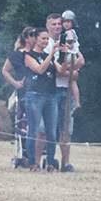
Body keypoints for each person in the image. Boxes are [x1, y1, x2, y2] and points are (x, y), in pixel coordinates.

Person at [46, 13, 85, 173]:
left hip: (66, 90)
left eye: (60, 24)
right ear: (48, 25)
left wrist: (67, 71)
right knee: (46, 129)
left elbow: (81, 61)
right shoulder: (45, 43)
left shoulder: (69, 41)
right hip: (51, 89)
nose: (58, 27)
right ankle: (44, 162)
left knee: (66, 129)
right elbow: (49, 69)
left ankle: (66, 162)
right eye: (54, 24)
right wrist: (68, 72)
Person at [24, 28, 62, 172]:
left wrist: (64, 54)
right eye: (43, 39)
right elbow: (39, 69)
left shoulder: (50, 56)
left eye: (47, 39)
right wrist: (52, 53)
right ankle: (33, 163)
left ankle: (51, 163)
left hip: (51, 95)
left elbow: (61, 70)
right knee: (33, 130)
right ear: (35, 39)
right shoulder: (28, 56)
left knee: (51, 132)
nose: (46, 41)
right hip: (35, 95)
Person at [2, 26, 36, 168]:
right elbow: (5, 70)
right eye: (33, 35)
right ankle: (25, 155)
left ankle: (37, 155)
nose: (35, 38)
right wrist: (15, 83)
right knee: (24, 124)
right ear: (26, 38)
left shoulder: (39, 53)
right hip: (23, 94)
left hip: (38, 92)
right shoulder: (17, 54)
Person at [61, 10, 82, 111]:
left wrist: (63, 46)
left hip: (71, 55)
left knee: (72, 79)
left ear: (73, 22)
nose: (66, 24)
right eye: (64, 21)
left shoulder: (70, 32)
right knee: (73, 81)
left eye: (68, 21)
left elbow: (71, 45)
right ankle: (77, 102)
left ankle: (76, 102)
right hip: (72, 55)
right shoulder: (68, 32)